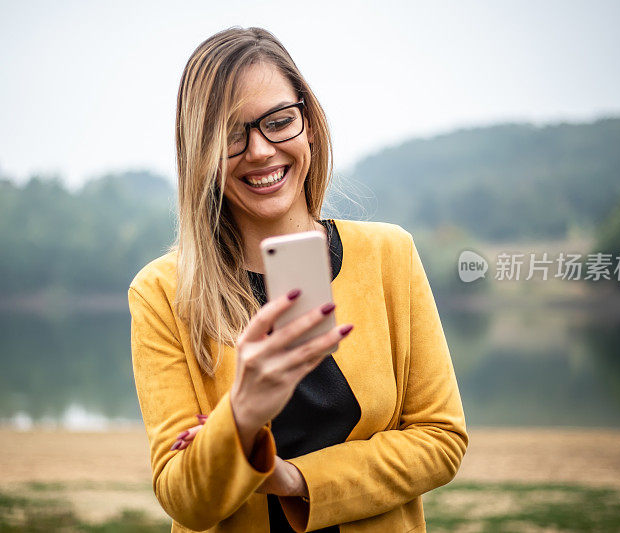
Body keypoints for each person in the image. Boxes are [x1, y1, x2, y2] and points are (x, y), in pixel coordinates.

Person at [128, 26, 468, 533]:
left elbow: (440, 440)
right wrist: (242, 414)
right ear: (200, 151)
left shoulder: (389, 255)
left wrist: (295, 480)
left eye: (279, 121)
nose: (261, 150)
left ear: (308, 123)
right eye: (232, 134)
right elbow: (186, 501)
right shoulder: (161, 292)